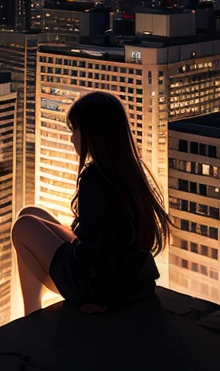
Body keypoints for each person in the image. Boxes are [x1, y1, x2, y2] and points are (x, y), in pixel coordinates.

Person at [11, 90, 172, 316]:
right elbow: (110, 240)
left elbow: (101, 251)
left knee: (23, 226)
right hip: (132, 281)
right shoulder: (129, 172)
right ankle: (31, 311)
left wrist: (101, 299)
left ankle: (31, 315)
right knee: (31, 212)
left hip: (98, 286)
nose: (71, 138)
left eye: (74, 129)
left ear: (92, 133)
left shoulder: (94, 178)